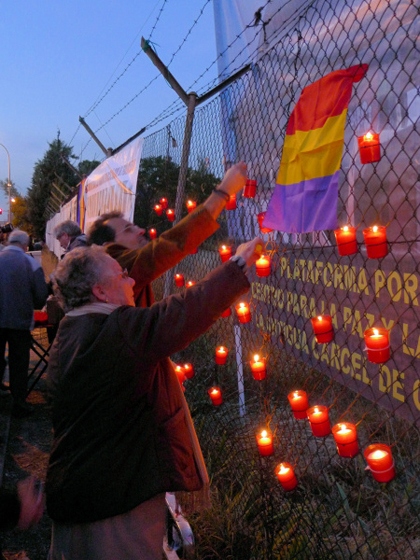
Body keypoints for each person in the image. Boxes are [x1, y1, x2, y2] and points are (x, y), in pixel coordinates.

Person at [45, 239, 261, 560]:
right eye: (122, 276)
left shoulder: (71, 329)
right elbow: (181, 312)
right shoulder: (116, 330)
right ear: (100, 292)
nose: (132, 281)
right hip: (114, 500)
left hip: (76, 490)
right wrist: (238, 267)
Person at [87, 161, 248, 307]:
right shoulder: (116, 263)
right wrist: (224, 191)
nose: (141, 230)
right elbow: (169, 245)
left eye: (134, 226)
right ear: (107, 245)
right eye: (128, 229)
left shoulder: (120, 279)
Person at [0, 229, 48, 417]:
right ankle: (19, 402)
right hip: (19, 321)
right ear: (25, 244)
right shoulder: (30, 263)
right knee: (19, 362)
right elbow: (41, 296)